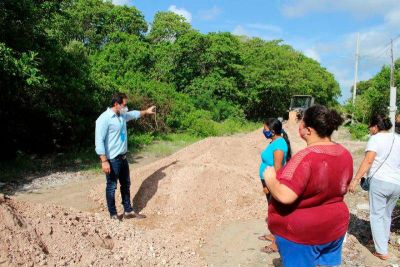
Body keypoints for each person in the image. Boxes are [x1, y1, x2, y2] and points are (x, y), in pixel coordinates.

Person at [263, 105, 353, 267]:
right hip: (335, 227)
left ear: (308, 130)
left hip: (303, 234)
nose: (299, 127)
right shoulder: (344, 153)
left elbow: (285, 195)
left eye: (301, 123)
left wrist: (269, 178)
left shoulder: (305, 158)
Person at [95, 92, 155, 220]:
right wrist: (104, 161)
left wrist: (146, 111)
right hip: (112, 160)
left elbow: (133, 114)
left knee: (126, 184)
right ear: (116, 104)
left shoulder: (121, 115)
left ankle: (128, 211)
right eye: (124, 104)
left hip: (123, 158)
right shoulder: (104, 119)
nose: (126, 107)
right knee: (111, 186)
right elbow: (99, 140)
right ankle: (113, 215)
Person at [349, 115, 400, 260]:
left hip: (380, 182)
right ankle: (383, 242)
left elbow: (368, 160)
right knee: (386, 215)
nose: (370, 130)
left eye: (370, 127)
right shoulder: (398, 138)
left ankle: (381, 251)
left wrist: (356, 179)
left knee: (376, 215)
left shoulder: (375, 139)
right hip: (397, 183)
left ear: (375, 127)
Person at [258, 118, 292, 253]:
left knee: (277, 212)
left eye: (265, 129)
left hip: (273, 183)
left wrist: (272, 186)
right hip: (267, 182)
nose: (263, 131)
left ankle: (276, 244)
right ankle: (273, 234)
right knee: (271, 210)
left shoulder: (279, 145)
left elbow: (278, 170)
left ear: (272, 131)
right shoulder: (274, 142)